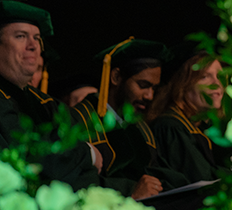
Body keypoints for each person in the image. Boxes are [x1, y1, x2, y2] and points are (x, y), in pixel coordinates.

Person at [0, 0, 103, 188]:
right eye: (21, 36)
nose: (33, 46)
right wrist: (86, 153)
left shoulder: (47, 104)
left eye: (37, 38)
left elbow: (87, 175)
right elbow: (33, 158)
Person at [72, 37, 190, 199]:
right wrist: (131, 192)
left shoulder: (141, 128)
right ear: (115, 77)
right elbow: (76, 183)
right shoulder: (79, 120)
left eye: (154, 88)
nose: (149, 96)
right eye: (143, 85)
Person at [147, 43, 232, 184]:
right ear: (183, 84)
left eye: (220, 76)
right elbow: (203, 178)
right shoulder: (171, 127)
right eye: (204, 77)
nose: (216, 83)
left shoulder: (203, 125)